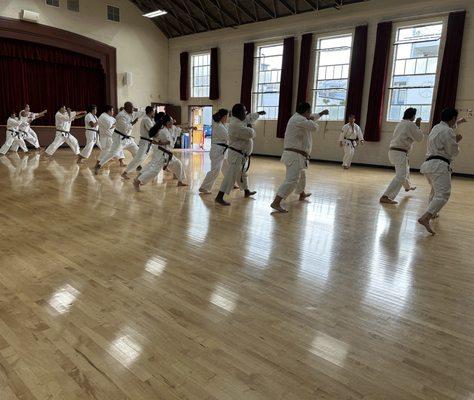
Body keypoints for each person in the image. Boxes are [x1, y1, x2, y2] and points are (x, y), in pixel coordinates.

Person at [270, 103, 329, 212]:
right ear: (306, 112)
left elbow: (312, 119)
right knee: (291, 180)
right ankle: (276, 202)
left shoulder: (300, 118)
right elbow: (314, 127)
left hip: (297, 156)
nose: (310, 114)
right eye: (309, 112)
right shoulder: (299, 119)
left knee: (301, 175)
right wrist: (310, 118)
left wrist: (321, 113)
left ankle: (302, 194)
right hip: (294, 156)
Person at [418, 108, 466, 234]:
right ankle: (426, 217)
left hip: (429, 165)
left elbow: (446, 133)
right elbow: (453, 151)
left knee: (435, 191)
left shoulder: (436, 128)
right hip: (439, 165)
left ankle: (432, 214)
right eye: (456, 119)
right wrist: (457, 141)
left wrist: (459, 123)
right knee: (444, 194)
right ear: (452, 118)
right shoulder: (448, 131)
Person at [214, 104, 265, 206]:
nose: (246, 113)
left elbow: (249, 118)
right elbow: (251, 134)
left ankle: (246, 191)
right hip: (236, 155)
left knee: (242, 174)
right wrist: (250, 127)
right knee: (230, 176)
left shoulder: (239, 120)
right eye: (244, 111)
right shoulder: (235, 125)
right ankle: (219, 196)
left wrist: (257, 114)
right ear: (239, 113)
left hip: (241, 155)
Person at [379, 107, 424, 204]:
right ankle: (385, 196)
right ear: (412, 116)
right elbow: (419, 138)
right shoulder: (410, 124)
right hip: (399, 152)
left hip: (395, 152)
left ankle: (407, 187)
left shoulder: (401, 123)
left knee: (405, 171)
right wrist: (418, 126)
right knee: (401, 175)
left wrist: (416, 126)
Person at [94, 102, 142, 174]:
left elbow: (141, 113)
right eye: (132, 107)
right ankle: (99, 165)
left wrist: (148, 113)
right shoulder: (121, 115)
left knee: (137, 151)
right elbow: (125, 128)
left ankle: (138, 165)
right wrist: (133, 123)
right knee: (112, 153)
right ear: (127, 107)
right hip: (119, 138)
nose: (133, 109)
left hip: (128, 139)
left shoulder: (132, 113)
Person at [132, 114, 175, 191]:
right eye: (172, 122)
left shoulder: (163, 129)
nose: (173, 123)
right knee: (155, 170)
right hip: (161, 152)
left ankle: (137, 179)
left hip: (159, 151)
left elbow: (158, 141)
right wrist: (166, 143)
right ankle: (137, 181)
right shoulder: (163, 131)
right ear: (167, 122)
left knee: (150, 166)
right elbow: (162, 142)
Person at [199, 109, 230, 194]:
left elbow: (229, 126)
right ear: (223, 117)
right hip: (217, 151)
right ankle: (204, 187)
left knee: (226, 168)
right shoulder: (219, 126)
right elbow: (228, 137)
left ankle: (230, 183)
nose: (227, 118)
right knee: (215, 170)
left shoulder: (221, 124)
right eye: (227, 116)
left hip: (221, 150)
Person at [121, 106, 156, 179]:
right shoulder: (146, 119)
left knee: (144, 158)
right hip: (145, 142)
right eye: (153, 111)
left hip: (149, 143)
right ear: (150, 112)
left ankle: (143, 171)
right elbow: (152, 132)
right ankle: (125, 172)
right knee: (138, 158)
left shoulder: (150, 119)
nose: (154, 113)